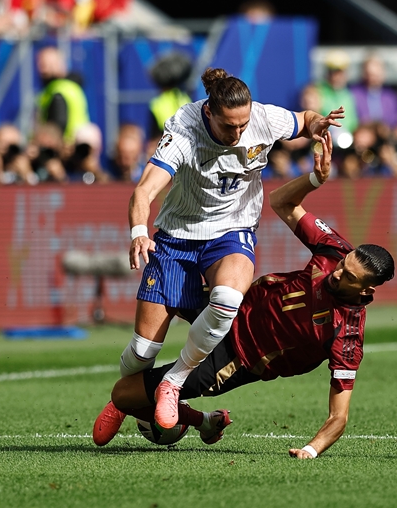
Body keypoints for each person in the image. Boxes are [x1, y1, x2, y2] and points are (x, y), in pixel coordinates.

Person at [93, 131, 396, 458]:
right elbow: (282, 202)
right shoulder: (336, 251)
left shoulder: (346, 334)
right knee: (167, 294)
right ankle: (180, 407)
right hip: (231, 305)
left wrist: (311, 449)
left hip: (236, 359)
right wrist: (314, 178)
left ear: (367, 290)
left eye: (348, 276)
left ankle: (196, 420)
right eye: (343, 264)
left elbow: (339, 416)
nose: (337, 272)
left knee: (123, 393)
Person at [97, 67, 346, 432]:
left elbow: (304, 121)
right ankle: (127, 402)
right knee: (141, 352)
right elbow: (144, 191)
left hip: (232, 230)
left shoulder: (261, 118)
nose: (238, 133)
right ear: (209, 112)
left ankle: (173, 382)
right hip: (176, 238)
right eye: (230, 126)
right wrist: (138, 232)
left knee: (229, 298)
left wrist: (318, 126)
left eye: (243, 125)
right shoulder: (183, 130)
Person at [35, 45, 102, 168]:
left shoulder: (57, 90)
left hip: (64, 152)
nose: (41, 68)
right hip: (75, 148)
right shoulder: (71, 87)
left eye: (45, 63)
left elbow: (57, 124)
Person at [350, 54, 397, 130]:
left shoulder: (391, 97)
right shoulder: (353, 94)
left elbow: (395, 121)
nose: (373, 79)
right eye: (370, 75)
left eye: (376, 75)